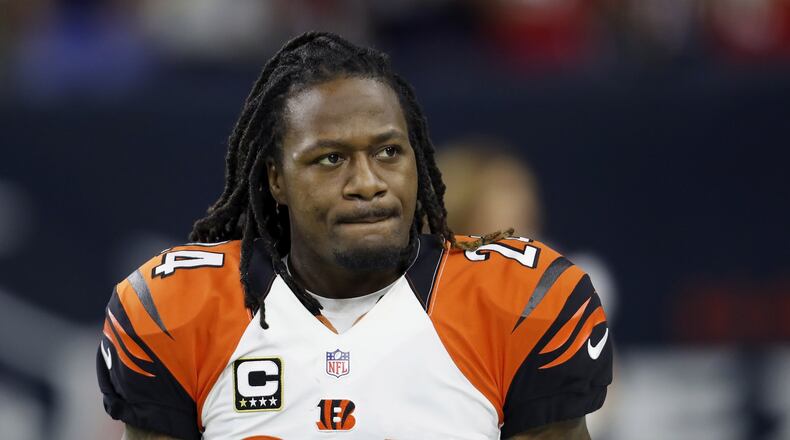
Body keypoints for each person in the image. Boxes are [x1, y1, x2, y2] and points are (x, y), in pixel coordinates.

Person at [96, 31, 612, 439]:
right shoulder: (180, 310)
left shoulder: (516, 302)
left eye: (388, 152)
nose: (367, 183)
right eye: (331, 159)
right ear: (276, 177)